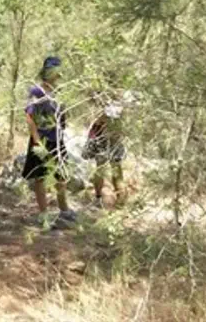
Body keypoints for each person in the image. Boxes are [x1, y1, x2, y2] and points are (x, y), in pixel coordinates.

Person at [21, 56, 76, 227]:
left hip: (57, 139)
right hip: (42, 139)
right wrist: (37, 141)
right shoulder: (36, 91)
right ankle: (43, 215)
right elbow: (29, 116)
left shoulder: (58, 92)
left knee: (61, 175)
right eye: (53, 69)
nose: (57, 73)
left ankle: (64, 210)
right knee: (40, 178)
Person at [83, 98, 127, 208]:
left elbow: (99, 122)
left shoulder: (107, 102)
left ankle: (102, 199)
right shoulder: (121, 103)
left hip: (104, 141)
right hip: (114, 141)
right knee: (115, 172)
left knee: (102, 170)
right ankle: (119, 203)